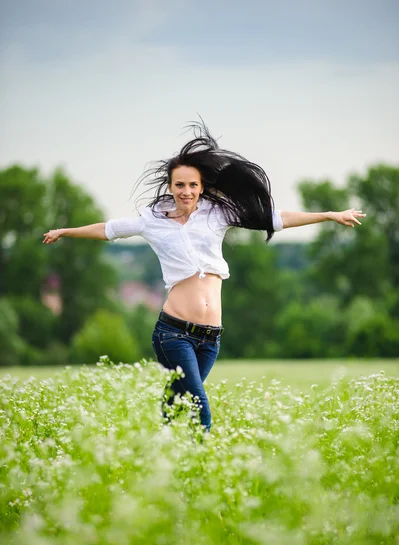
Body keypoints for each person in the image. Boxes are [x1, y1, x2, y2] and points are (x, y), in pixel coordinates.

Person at [43, 121, 366, 433]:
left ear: (202, 187)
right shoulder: (151, 221)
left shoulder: (219, 213)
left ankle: (162, 449)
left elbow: (275, 218)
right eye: (180, 185)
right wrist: (65, 231)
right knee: (200, 406)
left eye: (193, 185)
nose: (186, 191)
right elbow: (107, 229)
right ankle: (199, 459)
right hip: (173, 333)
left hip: (211, 338)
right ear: (170, 186)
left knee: (180, 399)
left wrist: (328, 215)